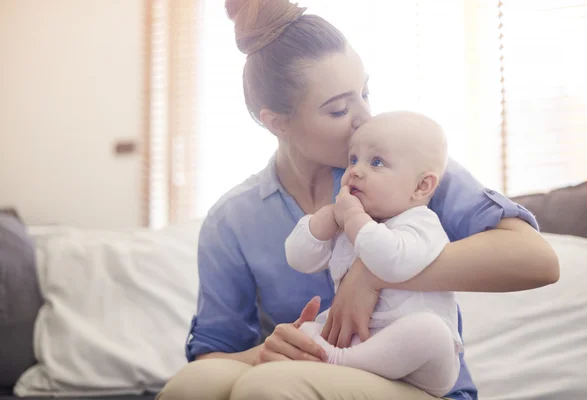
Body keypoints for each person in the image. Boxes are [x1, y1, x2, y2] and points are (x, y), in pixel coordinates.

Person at [156, 0, 559, 399]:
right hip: (307, 370)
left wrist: (372, 274)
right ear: (277, 122)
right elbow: (211, 359)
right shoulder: (233, 219)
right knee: (190, 387)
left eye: (364, 92)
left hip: (418, 384)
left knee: (272, 386)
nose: (365, 118)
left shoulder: (408, 168)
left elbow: (537, 259)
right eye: (338, 110)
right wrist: (269, 350)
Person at [286, 111, 461, 397]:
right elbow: (299, 258)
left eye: (376, 162)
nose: (355, 171)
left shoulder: (421, 222)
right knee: (304, 331)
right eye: (353, 159)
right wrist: (328, 218)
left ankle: (337, 360)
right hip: (362, 342)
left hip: (423, 366)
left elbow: (390, 262)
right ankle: (335, 356)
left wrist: (353, 218)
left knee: (431, 332)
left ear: (421, 186)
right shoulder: (347, 223)